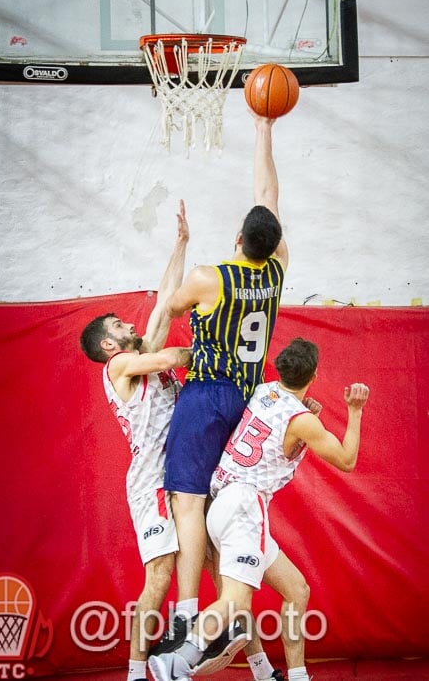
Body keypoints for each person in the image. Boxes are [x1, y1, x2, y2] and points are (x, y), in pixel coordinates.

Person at [148, 338, 370, 681]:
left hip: (221, 500)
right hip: (244, 506)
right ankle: (177, 658)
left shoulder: (264, 390)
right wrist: (354, 412)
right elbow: (347, 459)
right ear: (314, 374)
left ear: (279, 369)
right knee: (235, 600)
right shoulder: (302, 420)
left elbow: (279, 429)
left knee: (296, 590)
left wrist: (304, 415)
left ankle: (286, 675)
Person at [156, 114, 288, 648]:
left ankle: (188, 616)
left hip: (208, 394)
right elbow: (269, 197)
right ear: (271, 243)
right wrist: (265, 129)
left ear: (237, 237)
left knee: (188, 502)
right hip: (251, 402)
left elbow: (169, 305)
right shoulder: (277, 270)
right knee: (225, 510)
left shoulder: (210, 277)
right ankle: (236, 620)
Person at [79, 201, 192, 681]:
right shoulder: (119, 366)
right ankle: (135, 672)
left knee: (214, 562)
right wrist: (208, 350)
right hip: (152, 485)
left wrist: (181, 243)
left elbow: (166, 301)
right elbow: (171, 357)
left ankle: (249, 660)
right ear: (109, 345)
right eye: (122, 327)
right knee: (161, 575)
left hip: (181, 474)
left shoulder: (136, 352)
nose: (131, 325)